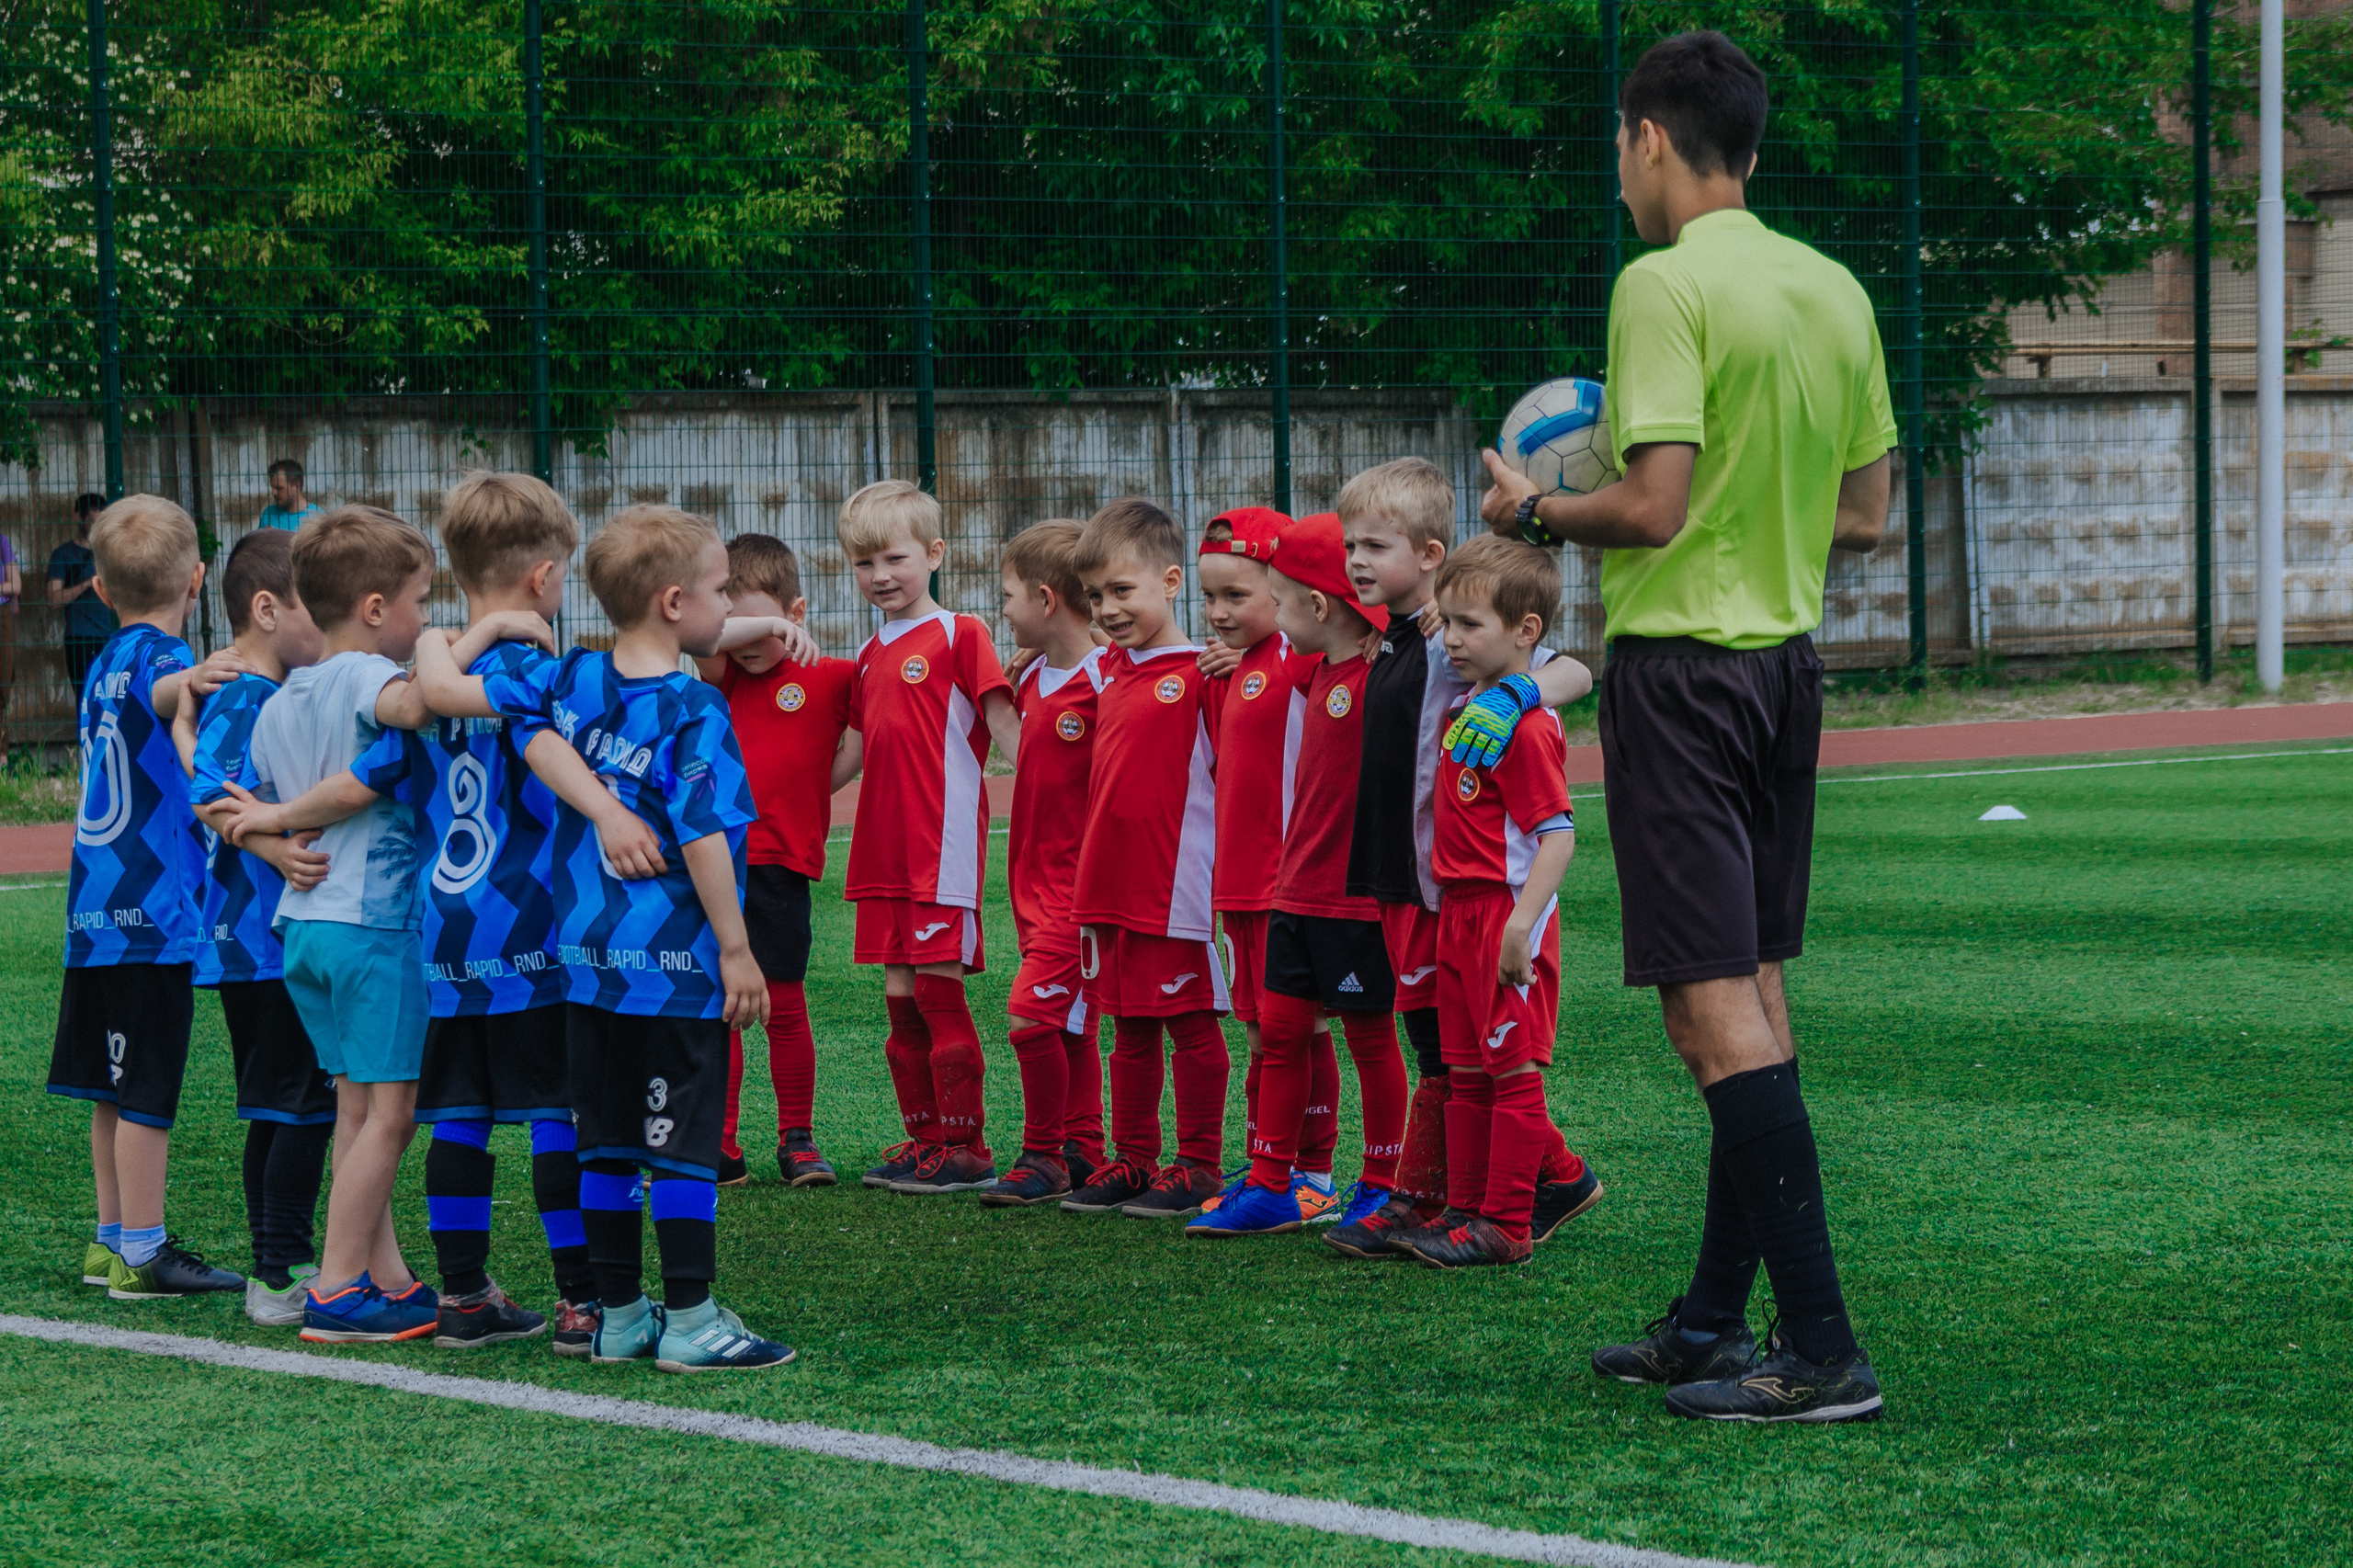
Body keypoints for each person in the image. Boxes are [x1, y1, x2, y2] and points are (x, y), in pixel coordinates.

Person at [1479, 29, 1893, 1423]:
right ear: (1750, 146)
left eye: (1619, 145)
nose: (1619, 170)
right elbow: (1864, 514)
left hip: (1685, 676)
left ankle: (1823, 1349)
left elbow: (1651, 508)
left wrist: (1533, 508)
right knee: (1755, 992)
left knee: (1710, 1012)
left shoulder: (1659, 282)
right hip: (1784, 669)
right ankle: (1714, 1320)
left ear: (1649, 137)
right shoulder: (1831, 286)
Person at [444, 504, 795, 1371]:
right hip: (673, 969)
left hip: (585, 966)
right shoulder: (693, 706)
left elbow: (528, 738)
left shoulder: (571, 679)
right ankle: (693, 1321)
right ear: (674, 603)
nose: (729, 607)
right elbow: (704, 834)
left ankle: (622, 1317)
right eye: (721, 591)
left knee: (603, 1144)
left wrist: (599, 807)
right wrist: (737, 948)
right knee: (681, 1149)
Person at [226, 506, 499, 1343]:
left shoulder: (282, 696)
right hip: (371, 927)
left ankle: (383, 1277)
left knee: (357, 1107)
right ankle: (338, 1285)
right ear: (376, 609)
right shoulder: (362, 677)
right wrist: (476, 636)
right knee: (393, 1114)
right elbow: (419, 705)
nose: (426, 618)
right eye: (420, 602)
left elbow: (261, 786)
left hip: (306, 928)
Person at [1328, 458, 1600, 1259]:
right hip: (1410, 884)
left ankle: (1490, 1209)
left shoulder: (1469, 657)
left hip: (1459, 894)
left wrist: (1525, 691)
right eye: (1350, 545)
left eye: (1375, 545)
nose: (1357, 561)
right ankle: (1454, 1201)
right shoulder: (1390, 634)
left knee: (1470, 1060)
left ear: (1430, 553)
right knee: (1454, 1059)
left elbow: (1571, 669)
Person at [50, 493, 248, 1301]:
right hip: (149, 915)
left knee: (112, 1084)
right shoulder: (162, 659)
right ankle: (144, 1251)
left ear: (99, 589)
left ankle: (111, 1239)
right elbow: (170, 692)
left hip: (95, 911)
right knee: (147, 1090)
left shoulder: (104, 660)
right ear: (197, 580)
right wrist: (196, 678)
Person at [1188, 513, 1408, 1239]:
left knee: (1370, 1041)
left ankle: (1381, 1184)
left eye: (1277, 602)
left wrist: (1404, 621)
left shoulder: (1385, 671)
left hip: (1354, 895)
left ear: (1315, 606)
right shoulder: (1306, 665)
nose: (1271, 619)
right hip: (1294, 890)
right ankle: (1273, 1185)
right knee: (1281, 1036)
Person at [1392, 536, 1580, 1269]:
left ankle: (1507, 1225)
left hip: (1503, 914)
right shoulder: (1470, 708)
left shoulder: (1523, 724)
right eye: (1448, 622)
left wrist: (1521, 926)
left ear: (1526, 631)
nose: (1453, 639)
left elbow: (1557, 837)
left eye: (1470, 624)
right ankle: (1465, 1212)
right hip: (1458, 913)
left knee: (1513, 1074)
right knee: (1467, 1075)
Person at [828, 481, 1020, 1197]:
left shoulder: (960, 634)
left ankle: (969, 1148)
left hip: (941, 849)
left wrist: (1056, 788)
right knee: (899, 999)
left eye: (895, 558)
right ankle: (927, 1140)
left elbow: (1002, 725)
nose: (880, 575)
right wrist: (780, 804)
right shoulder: (867, 653)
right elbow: (850, 754)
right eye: (864, 562)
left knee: (938, 995)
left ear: (935, 554)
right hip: (881, 853)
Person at [170, 528, 338, 1325]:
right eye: (316, 607)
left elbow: (201, 766)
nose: (328, 623)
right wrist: (275, 849)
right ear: (267, 610)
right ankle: (278, 1274)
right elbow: (209, 790)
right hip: (265, 940)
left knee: (280, 1105)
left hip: (257, 941)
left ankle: (278, 1263)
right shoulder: (249, 695)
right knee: (300, 1104)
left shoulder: (260, 692)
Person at [1060, 497, 1233, 1219]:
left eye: (1121, 590)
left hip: (1174, 885)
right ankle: (1132, 1158)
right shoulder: (1107, 668)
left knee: (1189, 1024)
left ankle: (1199, 1165)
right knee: (1127, 1028)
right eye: (1096, 596)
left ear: (1170, 581)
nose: (1108, 609)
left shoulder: (1207, 671)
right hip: (1107, 882)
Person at [1188, 507, 1343, 1223]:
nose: (1219, 612)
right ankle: (1268, 1169)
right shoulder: (1235, 665)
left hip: (1292, 883)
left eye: (1237, 595)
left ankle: (1315, 1173)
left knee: (1301, 1030)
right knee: (1258, 1032)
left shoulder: (1303, 658)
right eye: (1209, 597)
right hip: (1239, 885)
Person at [691, 533, 850, 1189]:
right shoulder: (722, 671)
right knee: (722, 1007)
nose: (748, 640)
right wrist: (753, 626)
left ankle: (798, 1140)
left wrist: (817, 791)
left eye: (763, 624)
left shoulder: (833, 676)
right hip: (716, 864)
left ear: (797, 612)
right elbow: (702, 639)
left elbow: (868, 734)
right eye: (737, 624)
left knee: (784, 1005)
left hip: (781, 868)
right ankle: (718, 1146)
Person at [974, 519, 1109, 1207]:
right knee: (1069, 1022)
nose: (1002, 609)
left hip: (1079, 891)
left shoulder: (1108, 678)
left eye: (1007, 595)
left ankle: (1043, 1155)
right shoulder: (1033, 675)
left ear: (1046, 599)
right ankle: (1084, 1146)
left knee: (1030, 1016)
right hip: (1033, 886)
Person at [50, 493, 118, 696]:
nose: (97, 527)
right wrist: (89, 583)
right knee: (84, 697)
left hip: (111, 635)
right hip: (79, 637)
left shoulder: (111, 554)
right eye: (93, 521)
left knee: (111, 697)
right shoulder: (62, 554)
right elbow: (53, 600)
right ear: (79, 517)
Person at [0, 520, 22, 765]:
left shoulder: (2, 542)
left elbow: (15, 585)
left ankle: (1, 755)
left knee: (3, 685)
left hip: (1, 616)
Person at [258, 460, 323, 530]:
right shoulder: (268, 514)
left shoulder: (317, 517)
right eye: (273, 488)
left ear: (297, 485)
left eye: (279, 488)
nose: (274, 493)